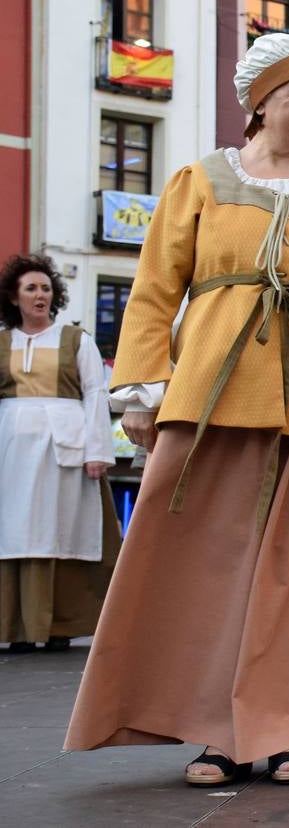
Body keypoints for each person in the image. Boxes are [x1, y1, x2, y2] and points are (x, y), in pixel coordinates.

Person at [64, 32, 289, 787]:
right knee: (205, 567)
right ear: (261, 103)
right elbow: (156, 289)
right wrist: (140, 391)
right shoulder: (199, 181)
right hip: (211, 398)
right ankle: (212, 730)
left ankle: (283, 728)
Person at [0, 254, 119, 653]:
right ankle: (14, 626)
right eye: (31, 288)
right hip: (10, 453)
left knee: (62, 532)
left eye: (46, 288)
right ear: (14, 297)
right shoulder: (2, 342)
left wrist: (97, 451)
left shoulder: (76, 340)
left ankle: (59, 625)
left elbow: (95, 394)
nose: (40, 295)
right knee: (12, 533)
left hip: (64, 454)